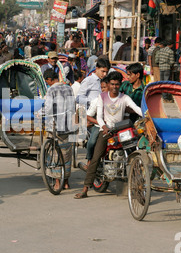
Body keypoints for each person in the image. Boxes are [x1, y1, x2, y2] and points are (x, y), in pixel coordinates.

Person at [74, 71, 143, 199]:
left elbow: (136, 108)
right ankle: (85, 189)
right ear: (109, 85)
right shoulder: (102, 97)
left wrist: (147, 115)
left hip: (121, 131)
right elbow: (99, 116)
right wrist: (104, 126)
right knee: (95, 158)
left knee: (135, 154)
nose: (115, 87)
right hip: (106, 131)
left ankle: (139, 186)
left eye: (117, 84)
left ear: (120, 84)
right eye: (112, 84)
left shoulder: (124, 97)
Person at [43, 68, 75, 190]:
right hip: (69, 126)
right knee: (66, 155)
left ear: (49, 80)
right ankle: (66, 182)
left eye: (47, 81)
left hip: (56, 127)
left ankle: (57, 182)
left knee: (55, 155)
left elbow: (48, 109)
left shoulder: (51, 90)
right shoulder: (69, 88)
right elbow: (73, 107)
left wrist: (39, 114)